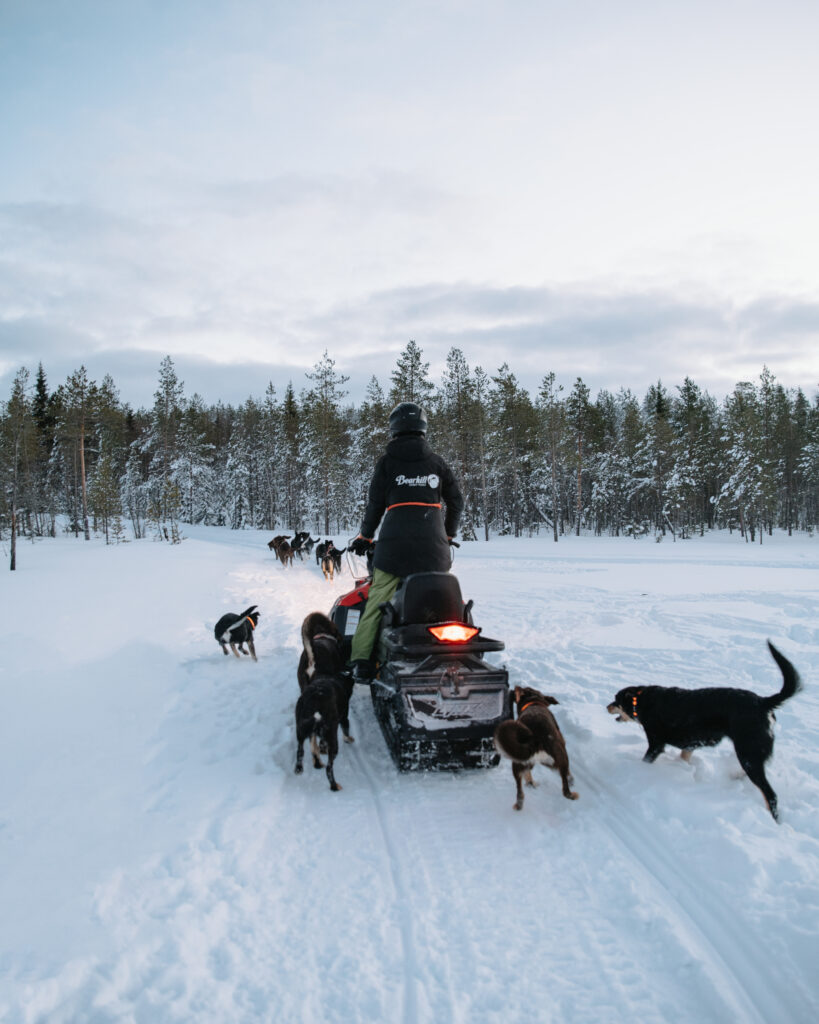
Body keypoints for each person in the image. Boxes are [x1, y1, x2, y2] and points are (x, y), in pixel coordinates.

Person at [348, 402, 463, 681]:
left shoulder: (387, 463)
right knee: (441, 598)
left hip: (393, 551)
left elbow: (374, 506)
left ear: (394, 428)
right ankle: (453, 652)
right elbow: (457, 501)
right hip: (434, 551)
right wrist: (447, 535)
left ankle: (361, 661)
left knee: (376, 602)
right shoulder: (436, 463)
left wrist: (365, 536)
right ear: (423, 428)